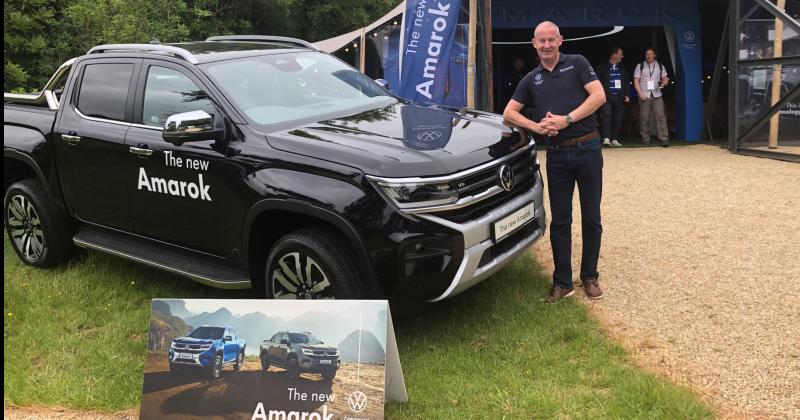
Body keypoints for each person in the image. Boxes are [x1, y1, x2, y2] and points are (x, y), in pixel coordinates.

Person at [503, 21, 606, 303]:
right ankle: (562, 282)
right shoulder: (531, 79)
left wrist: (567, 119)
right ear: (534, 44)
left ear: (560, 40)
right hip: (557, 155)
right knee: (560, 220)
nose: (547, 45)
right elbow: (509, 113)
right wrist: (536, 128)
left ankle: (589, 276)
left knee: (591, 216)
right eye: (541, 41)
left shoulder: (577, 63)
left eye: (551, 40)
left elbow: (599, 95)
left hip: (588, 148)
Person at [633, 47, 670, 146]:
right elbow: (636, 81)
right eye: (647, 54)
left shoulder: (660, 66)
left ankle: (664, 138)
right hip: (644, 94)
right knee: (644, 117)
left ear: (654, 55)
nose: (648, 56)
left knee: (661, 116)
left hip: (657, 94)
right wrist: (640, 93)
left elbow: (665, 79)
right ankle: (645, 138)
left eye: (650, 54)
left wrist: (664, 83)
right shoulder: (640, 66)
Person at [595, 46, 630, 147]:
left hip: (619, 97)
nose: (622, 56)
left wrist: (627, 94)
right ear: (614, 55)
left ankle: (614, 138)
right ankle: (606, 138)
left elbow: (626, 82)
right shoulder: (602, 67)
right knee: (607, 116)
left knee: (617, 118)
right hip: (606, 97)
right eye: (620, 54)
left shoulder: (622, 68)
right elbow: (597, 82)